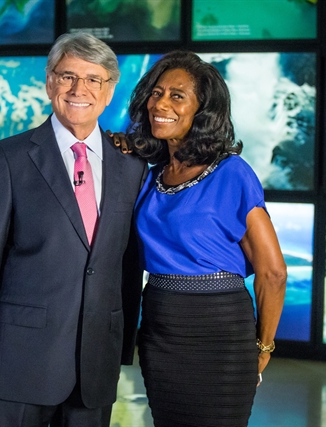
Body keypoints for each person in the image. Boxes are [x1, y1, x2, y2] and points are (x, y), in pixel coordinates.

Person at [0, 32, 148, 427]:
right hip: (20, 363)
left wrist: (121, 346)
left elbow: (126, 264)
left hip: (95, 365)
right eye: (67, 76)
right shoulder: (9, 158)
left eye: (94, 79)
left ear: (109, 91)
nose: (80, 89)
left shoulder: (131, 166)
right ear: (48, 83)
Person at [120, 51, 287, 426]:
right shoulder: (150, 176)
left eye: (177, 96)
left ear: (203, 110)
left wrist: (264, 345)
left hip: (219, 331)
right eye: (156, 93)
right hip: (161, 327)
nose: (161, 103)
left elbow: (273, 273)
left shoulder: (232, 173)